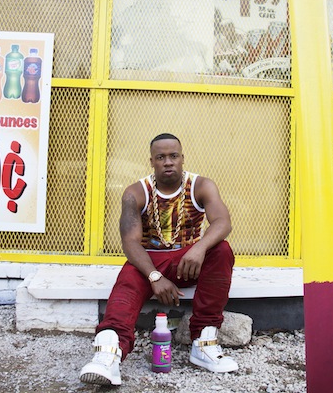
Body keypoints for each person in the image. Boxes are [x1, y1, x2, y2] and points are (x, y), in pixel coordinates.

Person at [79, 133, 238, 386]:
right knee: (127, 284)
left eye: (173, 156)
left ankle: (204, 342)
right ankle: (107, 356)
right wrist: (155, 276)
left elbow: (222, 222)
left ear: (182, 158)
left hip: (188, 262)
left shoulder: (201, 185)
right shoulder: (135, 192)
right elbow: (130, 243)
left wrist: (199, 248)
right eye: (161, 157)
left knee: (222, 251)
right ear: (152, 161)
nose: (168, 162)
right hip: (149, 264)